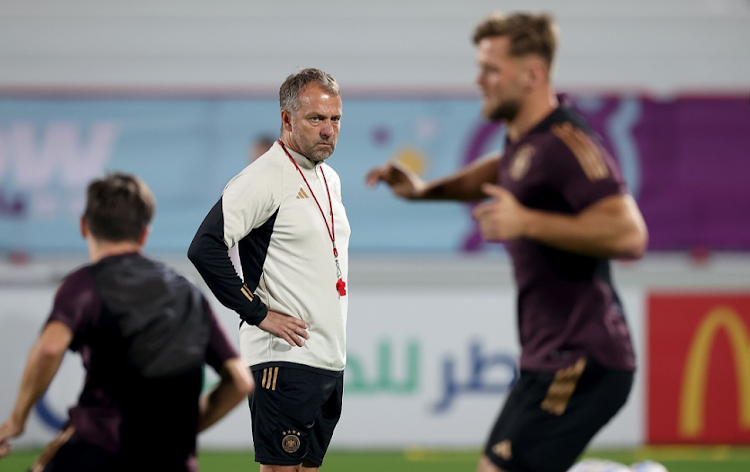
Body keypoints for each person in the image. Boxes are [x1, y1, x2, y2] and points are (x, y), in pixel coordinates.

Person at [366, 11, 648, 472]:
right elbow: (497, 171)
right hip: (546, 356)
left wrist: (527, 222)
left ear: (533, 74)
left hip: (585, 356)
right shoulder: (526, 143)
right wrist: (423, 191)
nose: (479, 80)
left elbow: (630, 234)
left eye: (492, 69)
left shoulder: (568, 144)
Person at [0, 173, 254, 472]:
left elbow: (48, 349)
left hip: (98, 452)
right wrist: (178, 431)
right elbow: (240, 381)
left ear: (84, 227)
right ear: (144, 234)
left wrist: (17, 420)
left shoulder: (84, 284)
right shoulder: (187, 292)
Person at [188, 67, 349, 472]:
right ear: (287, 119)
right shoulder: (263, 177)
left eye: (335, 119)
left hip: (327, 358)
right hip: (284, 359)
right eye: (316, 119)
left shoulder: (329, 178)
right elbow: (204, 247)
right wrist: (257, 313)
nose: (328, 130)